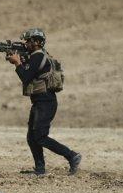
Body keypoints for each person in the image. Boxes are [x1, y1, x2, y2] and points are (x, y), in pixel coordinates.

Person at [6, 28, 81, 175]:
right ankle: (40, 169)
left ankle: (72, 156)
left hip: (45, 101)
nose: (26, 43)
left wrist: (17, 63)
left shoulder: (38, 57)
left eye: (29, 41)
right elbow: (28, 71)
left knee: (40, 136)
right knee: (32, 137)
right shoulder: (36, 56)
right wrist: (18, 61)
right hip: (40, 101)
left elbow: (25, 77)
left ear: (37, 42)